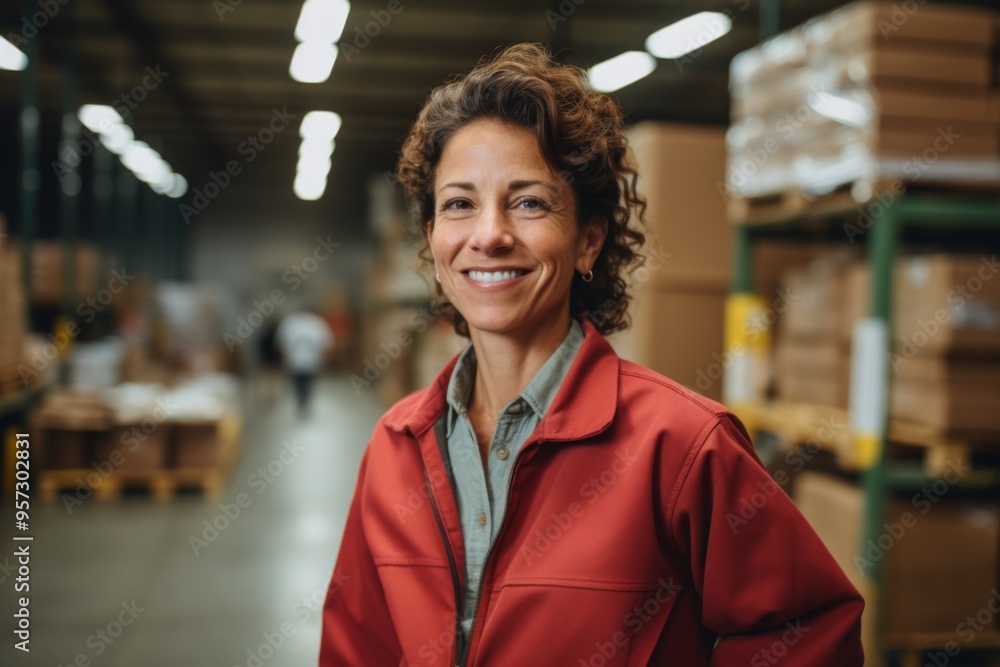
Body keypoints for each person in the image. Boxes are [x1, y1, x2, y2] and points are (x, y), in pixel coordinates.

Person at [319, 44, 864, 666]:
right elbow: (355, 647)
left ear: (588, 242)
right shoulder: (394, 448)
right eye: (459, 204)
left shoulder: (681, 446)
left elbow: (809, 635)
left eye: (528, 202)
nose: (489, 235)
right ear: (435, 244)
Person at [275, 307, 333, 415]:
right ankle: (304, 400)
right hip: (310, 360)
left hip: (296, 360)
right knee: (307, 382)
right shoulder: (317, 323)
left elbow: (281, 342)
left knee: (299, 382)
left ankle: (302, 400)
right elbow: (326, 342)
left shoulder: (291, 322)